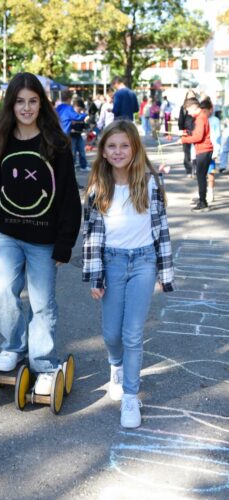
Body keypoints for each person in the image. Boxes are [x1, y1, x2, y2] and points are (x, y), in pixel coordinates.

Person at [0, 72, 81, 395]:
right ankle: (12, 347)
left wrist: (64, 244)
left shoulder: (57, 144)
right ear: (11, 104)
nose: (26, 108)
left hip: (44, 240)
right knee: (3, 294)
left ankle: (44, 362)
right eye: (20, 101)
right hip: (9, 235)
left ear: (41, 104)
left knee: (42, 304)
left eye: (33, 101)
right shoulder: (0, 144)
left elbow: (68, 199)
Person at [82, 120, 175, 428]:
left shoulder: (149, 183)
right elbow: (92, 235)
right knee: (111, 333)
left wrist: (165, 271)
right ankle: (116, 366)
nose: (118, 151)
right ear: (103, 151)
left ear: (134, 147)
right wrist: (96, 276)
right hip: (112, 263)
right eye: (112, 146)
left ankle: (131, 397)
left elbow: (161, 229)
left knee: (132, 334)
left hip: (144, 263)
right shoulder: (98, 186)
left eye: (124, 145)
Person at [181, 97, 213, 212]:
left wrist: (184, 140)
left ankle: (203, 203)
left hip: (204, 151)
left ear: (194, 107)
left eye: (188, 110)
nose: (188, 113)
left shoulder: (200, 118)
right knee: (201, 177)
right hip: (203, 150)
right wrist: (185, 133)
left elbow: (198, 137)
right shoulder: (200, 117)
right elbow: (197, 133)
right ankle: (202, 199)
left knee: (201, 178)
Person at [200, 98, 221, 204]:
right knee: (202, 174)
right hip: (201, 151)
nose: (203, 113)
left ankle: (211, 192)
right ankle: (204, 191)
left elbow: (218, 138)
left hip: (211, 151)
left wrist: (216, 151)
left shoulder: (215, 121)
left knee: (211, 173)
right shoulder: (199, 120)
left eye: (205, 111)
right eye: (201, 111)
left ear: (210, 110)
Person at [178, 90, 196, 176]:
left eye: (193, 96)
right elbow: (181, 120)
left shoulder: (198, 107)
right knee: (187, 152)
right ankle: (189, 170)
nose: (191, 98)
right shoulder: (183, 107)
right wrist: (181, 130)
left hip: (196, 131)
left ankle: (196, 169)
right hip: (186, 131)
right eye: (189, 96)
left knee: (197, 151)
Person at [70, 98, 90, 171]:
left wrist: (86, 127)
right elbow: (66, 124)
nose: (80, 110)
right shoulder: (70, 114)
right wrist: (70, 129)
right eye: (79, 108)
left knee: (82, 151)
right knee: (73, 152)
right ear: (76, 106)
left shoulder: (80, 115)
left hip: (78, 135)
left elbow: (83, 124)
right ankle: (72, 167)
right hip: (71, 136)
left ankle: (83, 166)